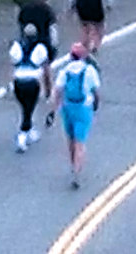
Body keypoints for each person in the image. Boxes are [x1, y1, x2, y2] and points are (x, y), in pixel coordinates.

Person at [53, 44, 102, 189]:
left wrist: (54, 108)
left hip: (68, 107)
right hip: (84, 108)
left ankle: (72, 163)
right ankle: (76, 171)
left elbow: (58, 90)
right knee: (80, 142)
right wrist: (96, 104)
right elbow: (96, 91)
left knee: (70, 139)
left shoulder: (65, 71)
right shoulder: (89, 70)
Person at [7, 25, 51, 152]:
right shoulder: (40, 48)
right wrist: (48, 88)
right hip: (32, 82)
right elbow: (46, 70)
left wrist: (10, 83)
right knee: (28, 108)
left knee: (26, 107)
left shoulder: (16, 46)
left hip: (18, 82)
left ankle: (30, 130)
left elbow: (12, 65)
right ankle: (22, 135)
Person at [15, 0, 58, 108]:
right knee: (46, 67)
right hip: (43, 40)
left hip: (27, 39)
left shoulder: (25, 8)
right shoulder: (47, 9)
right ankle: (48, 92)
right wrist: (54, 44)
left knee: (24, 64)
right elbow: (52, 28)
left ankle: (20, 87)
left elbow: (20, 24)